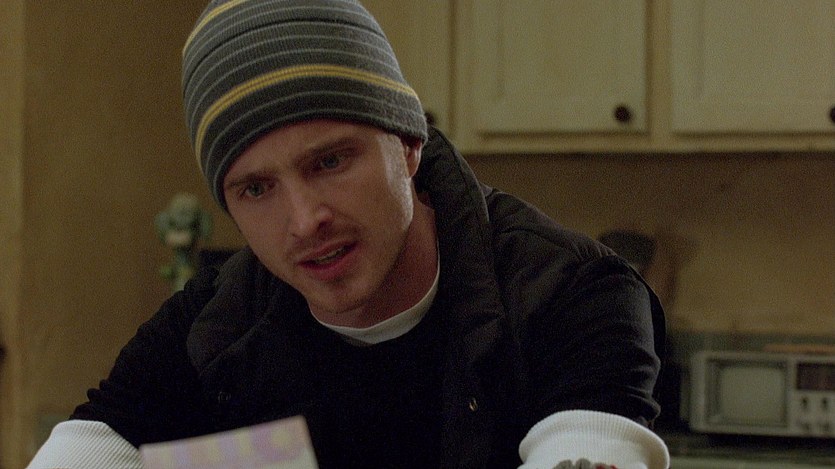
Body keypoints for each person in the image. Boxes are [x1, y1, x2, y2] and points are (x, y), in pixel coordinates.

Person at [27, 0, 669, 468]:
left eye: (330, 161)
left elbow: (587, 449)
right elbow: (90, 444)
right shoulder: (221, 322)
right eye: (256, 189)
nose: (305, 220)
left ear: (409, 144)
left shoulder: (571, 292)